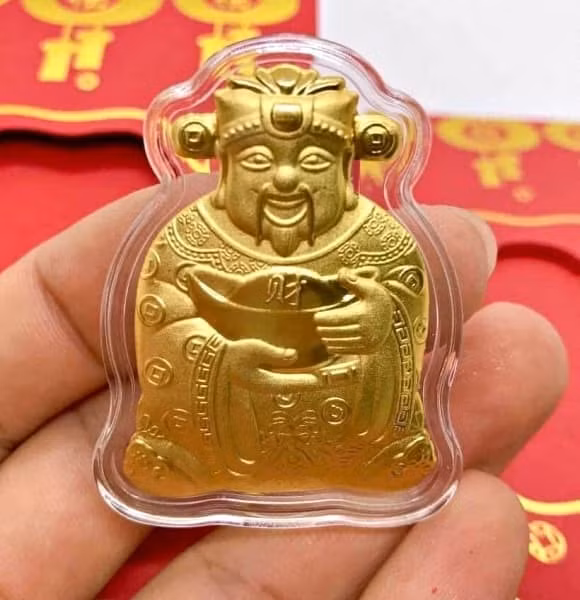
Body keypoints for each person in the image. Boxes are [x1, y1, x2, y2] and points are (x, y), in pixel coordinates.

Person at [0, 176, 567, 599]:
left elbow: (402, 345)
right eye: (258, 159)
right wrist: (228, 361)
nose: (288, 178)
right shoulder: (189, 238)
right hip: (218, 437)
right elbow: (167, 328)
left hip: (347, 432)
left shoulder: (380, 245)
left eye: (315, 161)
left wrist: (381, 332)